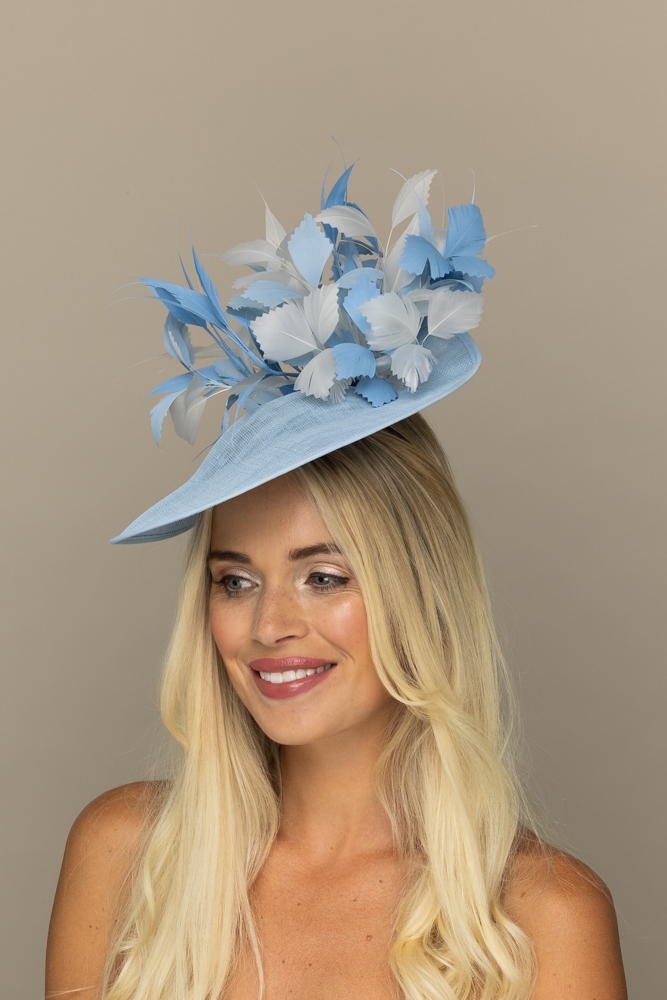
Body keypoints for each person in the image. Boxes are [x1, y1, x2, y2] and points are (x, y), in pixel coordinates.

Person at [46, 167, 627, 999]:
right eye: (234, 581)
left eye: (323, 576)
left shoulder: (539, 920)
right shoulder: (126, 855)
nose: (269, 625)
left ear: (419, 591)